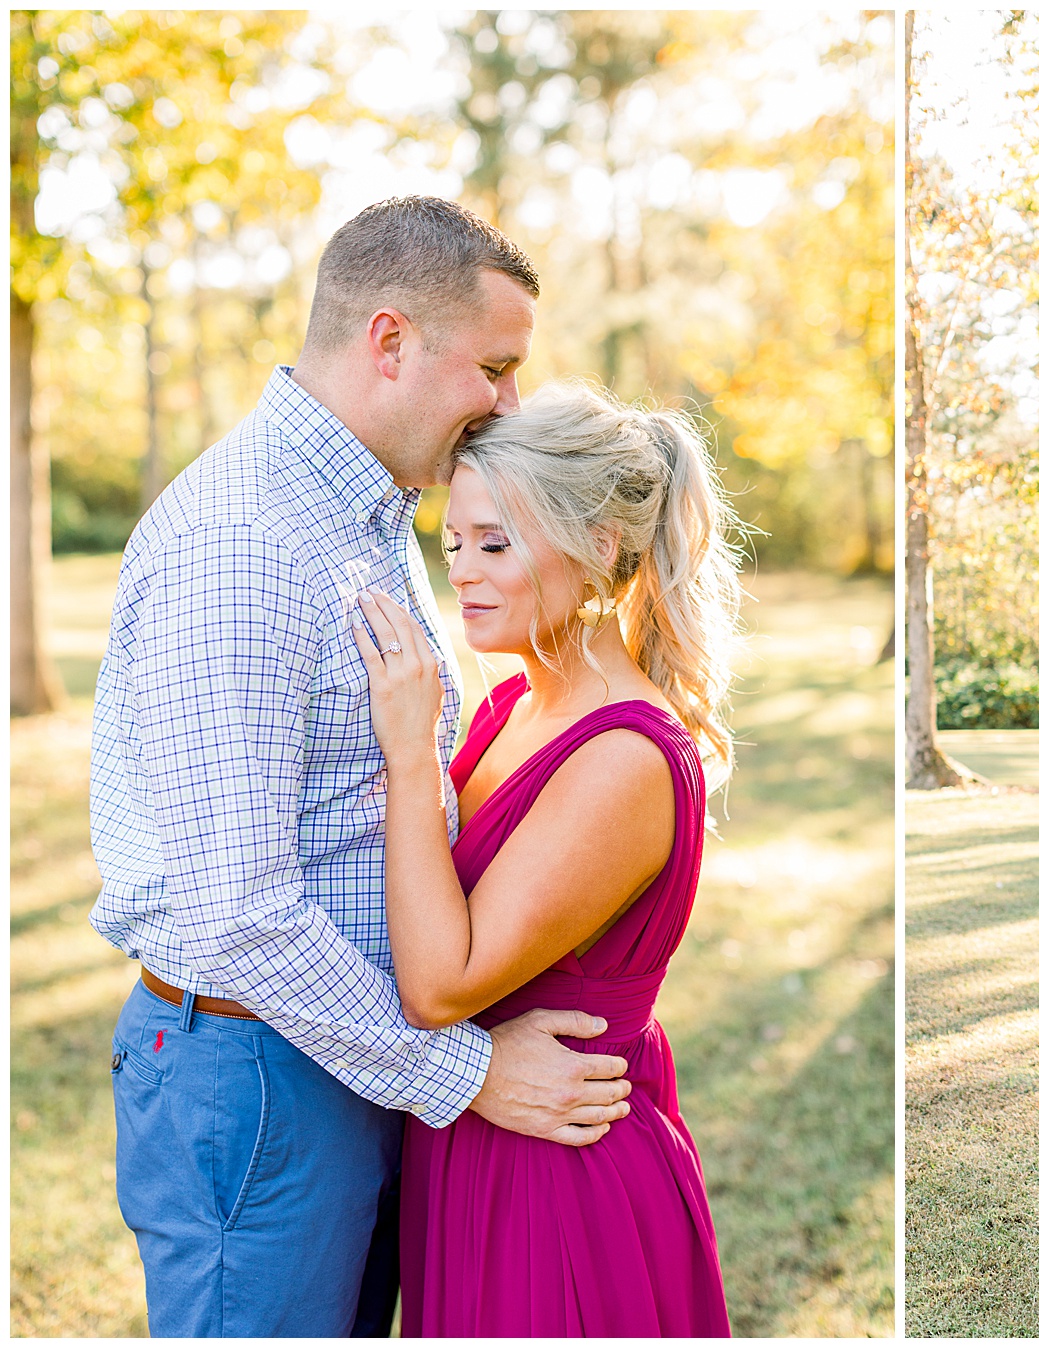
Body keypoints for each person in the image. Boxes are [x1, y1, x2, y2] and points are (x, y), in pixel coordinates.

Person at [89, 197, 635, 1337]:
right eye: (493, 366)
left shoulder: (366, 512)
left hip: (352, 1058)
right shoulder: (244, 542)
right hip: (258, 1073)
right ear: (390, 342)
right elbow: (237, 912)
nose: (509, 403)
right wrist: (466, 1075)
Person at [352, 379, 740, 1334]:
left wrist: (409, 758)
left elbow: (442, 986)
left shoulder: (624, 758)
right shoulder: (504, 712)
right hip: (469, 1143)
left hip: (560, 1172)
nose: (464, 574)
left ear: (599, 547)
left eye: (496, 543)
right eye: (453, 545)